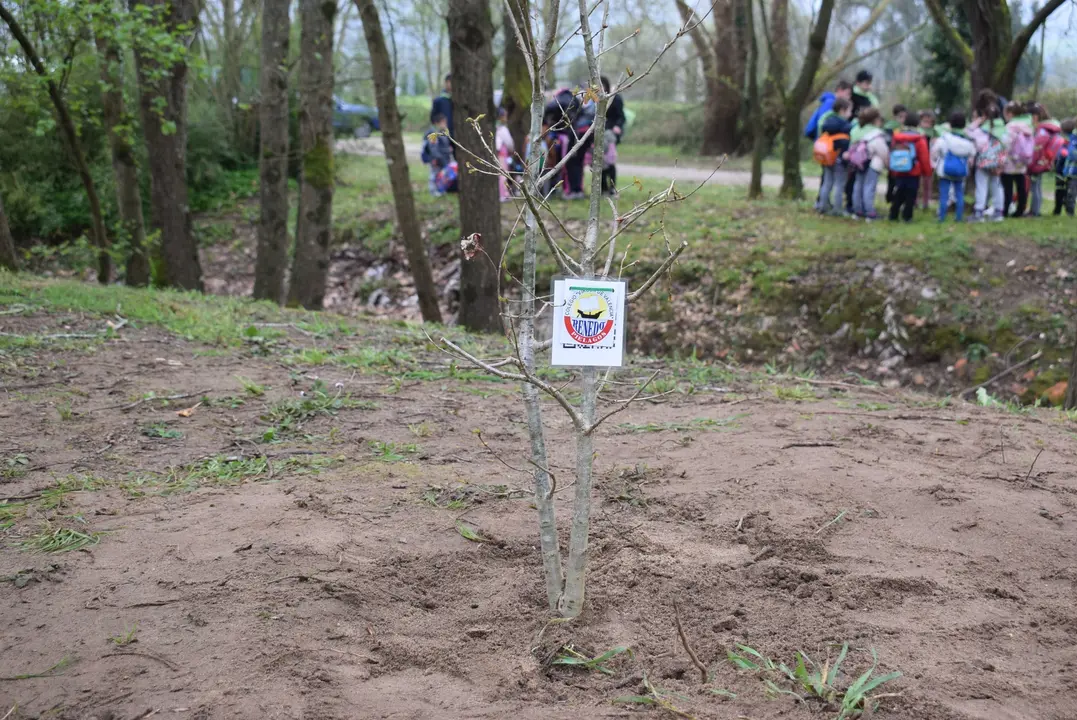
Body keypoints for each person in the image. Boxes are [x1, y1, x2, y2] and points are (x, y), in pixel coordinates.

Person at [931, 111, 975, 223]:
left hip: (945, 171)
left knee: (944, 194)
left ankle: (941, 217)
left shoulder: (944, 138)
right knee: (959, 194)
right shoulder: (967, 141)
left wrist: (936, 161)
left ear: (950, 124)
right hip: (960, 171)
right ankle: (959, 217)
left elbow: (935, 151)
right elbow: (972, 153)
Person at [888, 111, 931, 222]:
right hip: (914, 170)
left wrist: (892, 170)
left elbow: (892, 152)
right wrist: (927, 172)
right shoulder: (919, 139)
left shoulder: (897, 136)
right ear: (918, 124)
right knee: (911, 194)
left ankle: (893, 214)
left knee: (899, 192)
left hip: (899, 168)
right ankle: (907, 216)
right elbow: (924, 156)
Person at [967, 105, 1007, 222]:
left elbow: (968, 133)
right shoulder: (1003, 129)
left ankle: (979, 212)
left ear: (984, 117)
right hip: (998, 162)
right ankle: (999, 212)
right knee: (997, 186)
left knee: (981, 186)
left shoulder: (980, 131)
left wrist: (977, 122)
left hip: (984, 162)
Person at [848, 107, 888, 220]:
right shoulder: (876, 133)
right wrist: (887, 163)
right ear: (875, 120)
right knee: (869, 187)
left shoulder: (855, 130)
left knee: (858, 186)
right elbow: (882, 151)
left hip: (858, 163)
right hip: (872, 164)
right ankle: (870, 212)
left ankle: (857, 210)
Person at [815, 98, 853, 216]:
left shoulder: (827, 122)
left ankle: (822, 205)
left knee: (827, 182)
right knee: (839, 184)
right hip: (840, 158)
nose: (850, 113)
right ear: (842, 110)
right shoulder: (845, 126)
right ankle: (837, 209)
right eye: (849, 110)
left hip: (827, 157)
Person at [1028, 103, 1062, 217]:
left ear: (1035, 116)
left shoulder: (1042, 130)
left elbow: (1036, 148)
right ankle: (1035, 210)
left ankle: (1035, 211)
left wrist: (1031, 163)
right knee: (1037, 185)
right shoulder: (1049, 128)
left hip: (1038, 162)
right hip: (1044, 161)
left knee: (1035, 186)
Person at [1002, 100, 1034, 217]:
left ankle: (1005, 209)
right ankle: (1020, 209)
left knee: (1007, 186)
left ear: (1010, 114)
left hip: (1010, 160)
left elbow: (1006, 143)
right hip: (1023, 160)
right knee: (1021, 186)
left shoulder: (1010, 126)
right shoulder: (1027, 126)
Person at [421, 113, 456, 196]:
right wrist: (436, 158)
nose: (445, 124)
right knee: (434, 174)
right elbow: (433, 147)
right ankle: (433, 191)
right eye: (443, 122)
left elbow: (446, 143)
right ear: (437, 123)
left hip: (444, 157)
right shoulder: (433, 134)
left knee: (443, 174)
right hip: (437, 159)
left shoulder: (443, 132)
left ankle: (441, 189)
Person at [602, 76, 625, 195]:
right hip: (600, 133)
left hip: (610, 133)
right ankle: (603, 187)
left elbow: (621, 117)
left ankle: (612, 187)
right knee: (599, 161)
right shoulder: (596, 100)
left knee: (610, 160)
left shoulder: (615, 99)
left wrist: (618, 127)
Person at [1055, 118, 1076, 216]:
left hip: (1067, 170)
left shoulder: (1070, 140)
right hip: (1069, 170)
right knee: (1069, 191)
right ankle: (1067, 209)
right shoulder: (1072, 139)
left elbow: (1067, 153)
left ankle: (1062, 208)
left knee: (1066, 190)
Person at [917, 110, 937, 210]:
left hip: (930, 161)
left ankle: (926, 203)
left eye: (929, 122)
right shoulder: (917, 132)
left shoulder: (934, 133)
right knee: (917, 182)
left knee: (927, 183)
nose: (927, 124)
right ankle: (915, 201)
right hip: (918, 160)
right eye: (925, 121)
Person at [495, 107, 514, 202]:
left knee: (501, 173)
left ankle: (503, 193)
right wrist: (512, 149)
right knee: (503, 174)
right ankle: (503, 194)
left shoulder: (495, 127)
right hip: (502, 153)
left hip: (499, 153)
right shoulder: (502, 129)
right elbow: (509, 142)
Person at [430, 74, 453, 139]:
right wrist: (440, 122)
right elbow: (432, 118)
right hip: (443, 134)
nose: (450, 84)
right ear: (445, 83)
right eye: (449, 82)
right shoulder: (438, 101)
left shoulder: (457, 101)